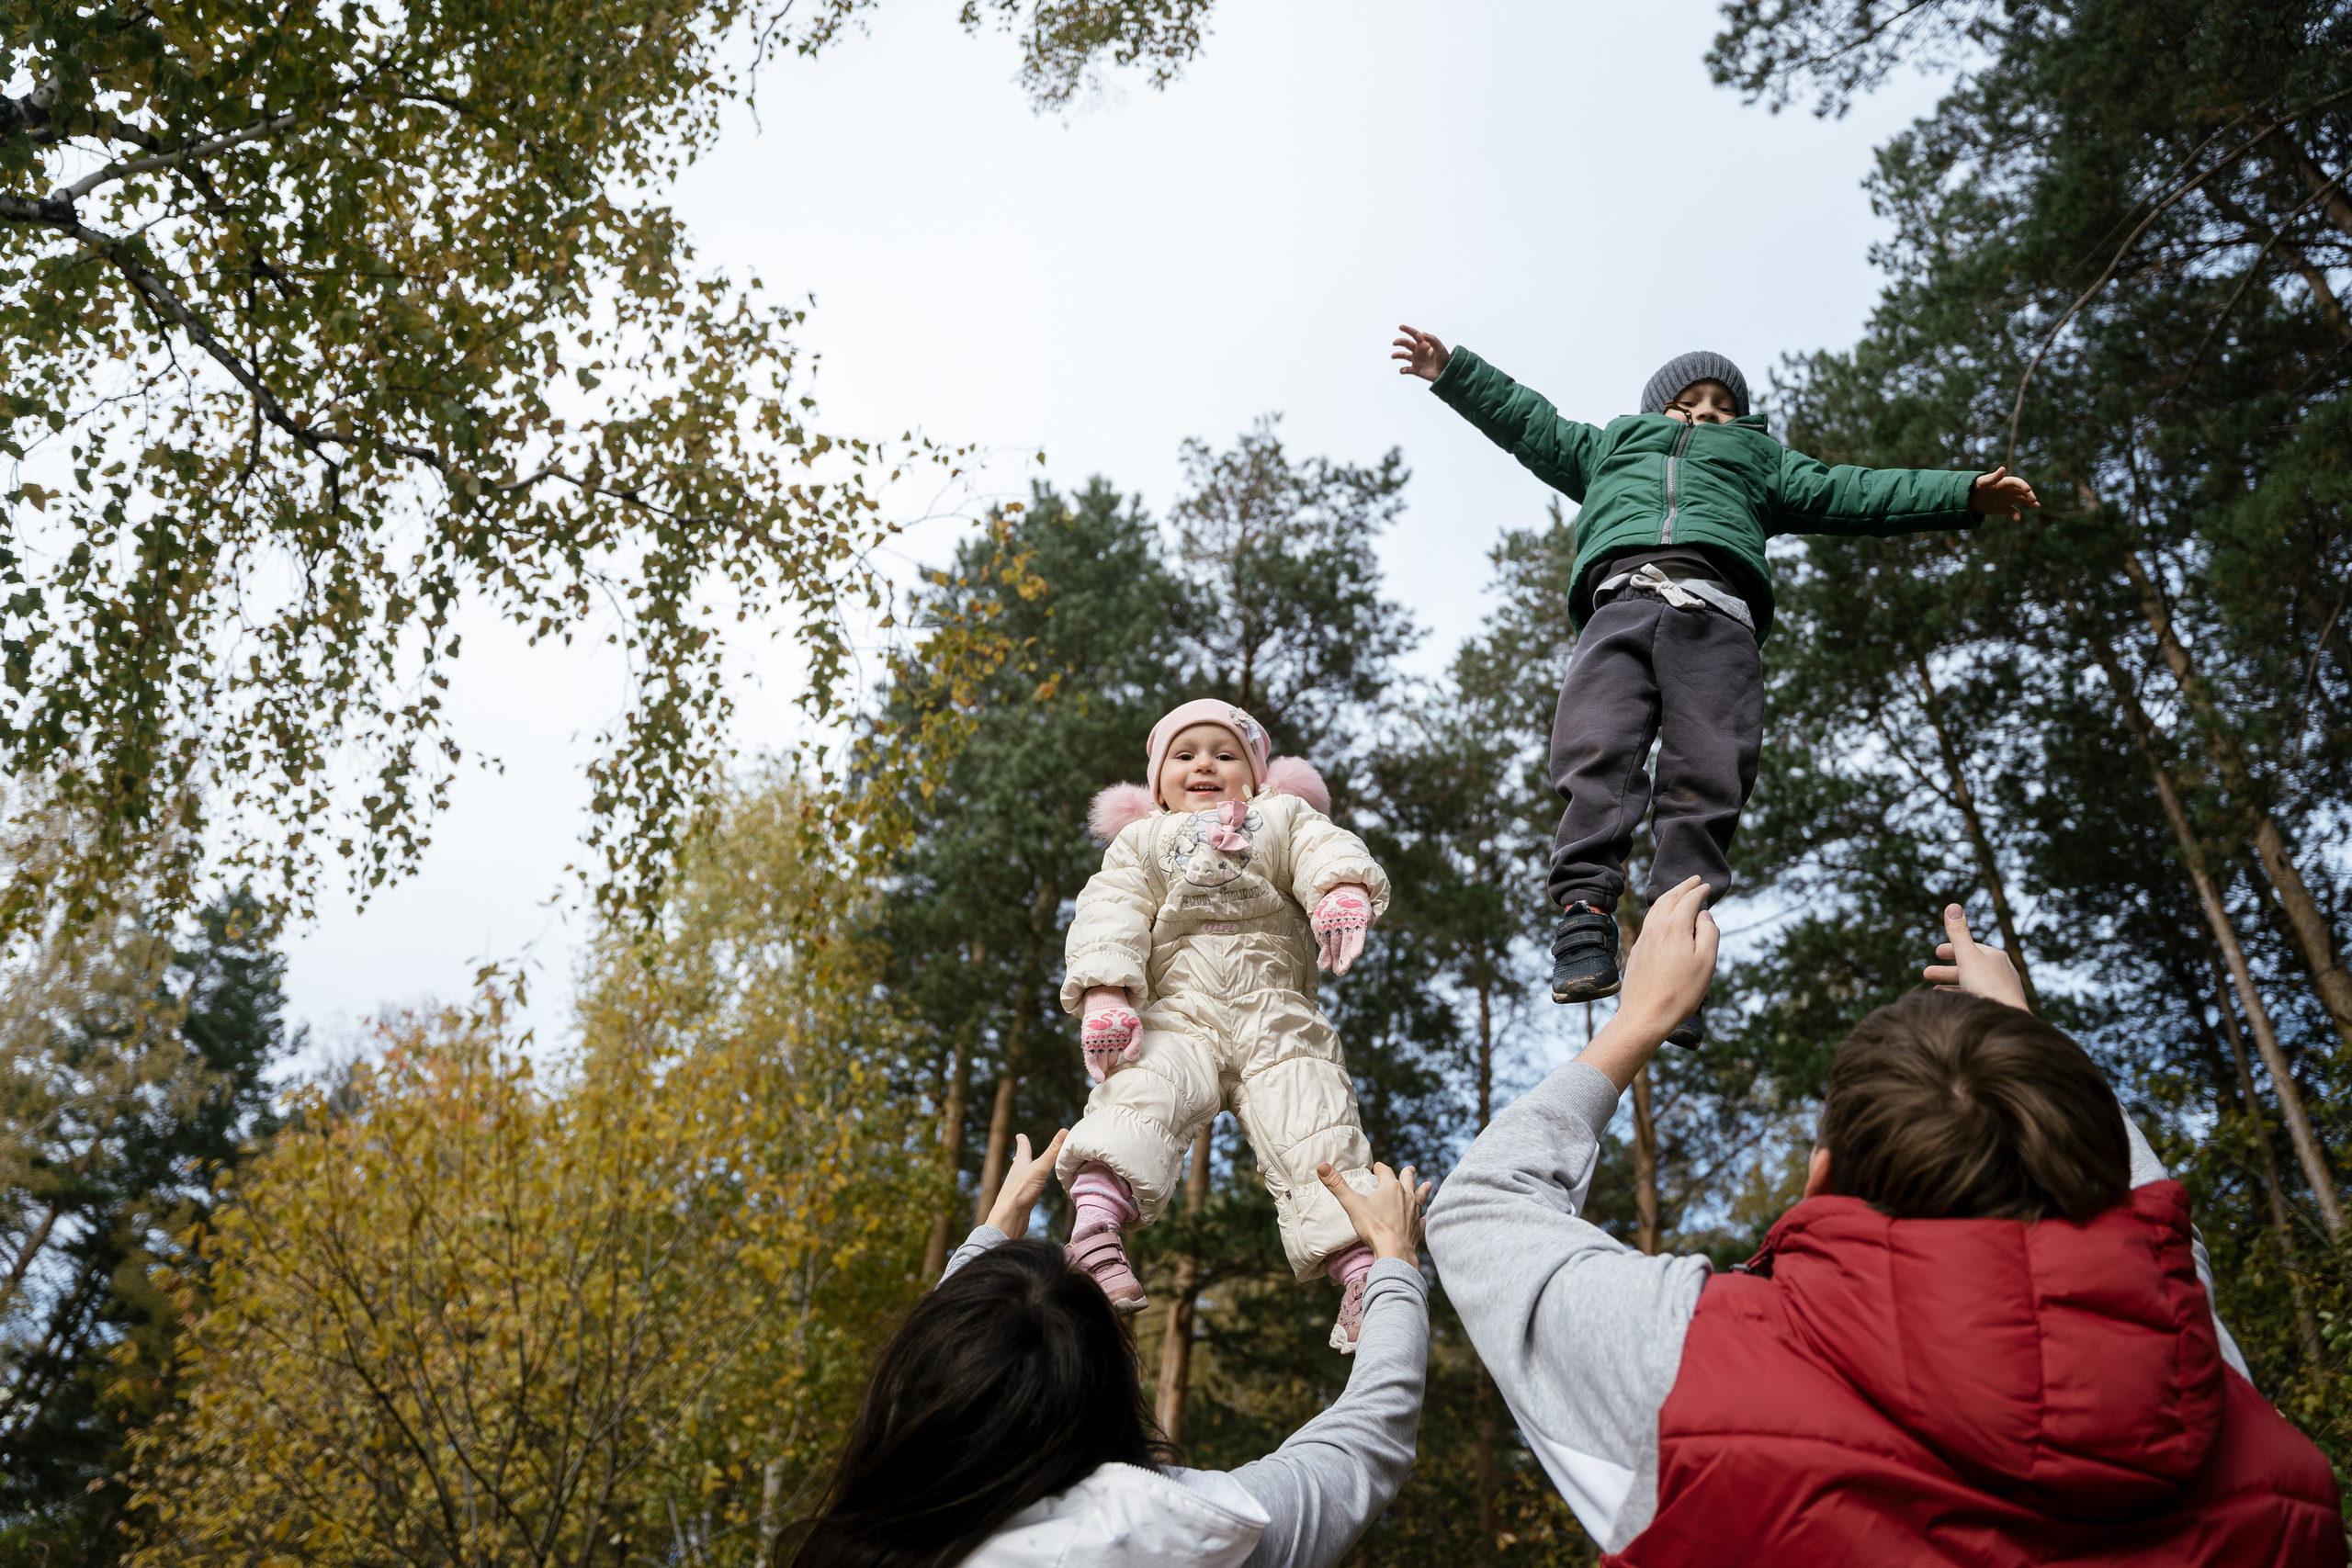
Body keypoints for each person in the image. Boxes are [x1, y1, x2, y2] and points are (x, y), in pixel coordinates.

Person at [1425, 879, 2346, 1564]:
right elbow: (2151, 1231)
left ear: (1821, 1178)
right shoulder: (2222, 1398)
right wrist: (2021, 1035)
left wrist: (1640, 1018)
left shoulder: (1689, 1365)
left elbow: (1479, 1210)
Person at [1394, 327, 2041, 1045]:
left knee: (1707, 777)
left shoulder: (1760, 461)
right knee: (1594, 751)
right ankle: (1584, 916)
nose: (1706, 410)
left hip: (1718, 625)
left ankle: (1676, 944)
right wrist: (1453, 371)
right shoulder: (1612, 447)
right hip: (1620, 607)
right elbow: (1530, 422)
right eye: (1689, 400)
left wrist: (1963, 495)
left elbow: (1853, 490)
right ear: (1657, 410)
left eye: (1723, 404)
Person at [785, 1128, 1433, 1568]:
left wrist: (991, 1235)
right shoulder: (1183, 1532)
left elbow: (933, 1374)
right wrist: (1395, 1259)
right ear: (1116, 1386)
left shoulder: (869, 1533)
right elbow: (1366, 1438)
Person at [1057, 697, 1392, 1349]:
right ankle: (1094, 1232)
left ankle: (1362, 1274)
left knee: (1317, 1124)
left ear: (1258, 774)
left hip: (1277, 1015)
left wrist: (1340, 890)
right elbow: (1109, 911)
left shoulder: (1283, 815)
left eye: (1225, 754)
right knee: (1140, 1093)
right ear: (1157, 783)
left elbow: (1323, 848)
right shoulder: (1143, 840)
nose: (1204, 764)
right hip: (1181, 1012)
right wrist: (1106, 993)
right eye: (1184, 755)